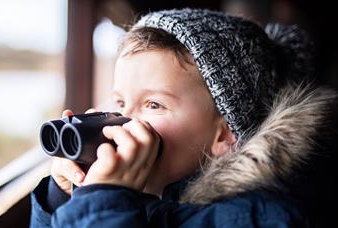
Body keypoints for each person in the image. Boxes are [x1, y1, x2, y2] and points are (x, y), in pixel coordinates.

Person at [30, 8, 336, 227]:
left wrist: (101, 200)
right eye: (120, 102)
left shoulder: (260, 217)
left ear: (224, 135)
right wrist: (65, 196)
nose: (124, 121)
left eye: (153, 105)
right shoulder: (148, 194)